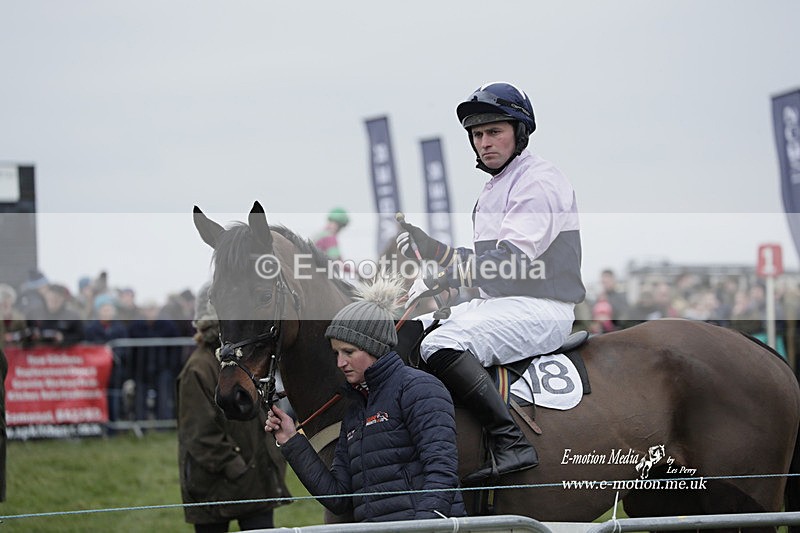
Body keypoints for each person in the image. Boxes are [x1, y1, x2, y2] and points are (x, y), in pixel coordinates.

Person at [397, 81, 586, 483]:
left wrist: (447, 272)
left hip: (541, 308)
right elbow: (484, 264)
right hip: (502, 304)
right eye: (477, 135)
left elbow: (508, 263)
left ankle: (510, 441)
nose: (484, 142)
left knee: (439, 343)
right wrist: (432, 250)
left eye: (494, 132)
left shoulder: (538, 181)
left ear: (519, 132)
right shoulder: (495, 186)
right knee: (411, 332)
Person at [265, 277, 466, 522]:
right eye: (336, 353)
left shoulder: (420, 389)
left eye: (348, 352)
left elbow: (442, 474)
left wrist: (421, 528)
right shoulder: (354, 412)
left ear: (374, 347)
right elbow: (338, 498)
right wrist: (291, 441)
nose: (340, 363)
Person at [177, 283, 291, 532]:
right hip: (216, 487)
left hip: (254, 481)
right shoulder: (198, 369)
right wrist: (237, 466)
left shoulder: (245, 361)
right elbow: (200, 434)